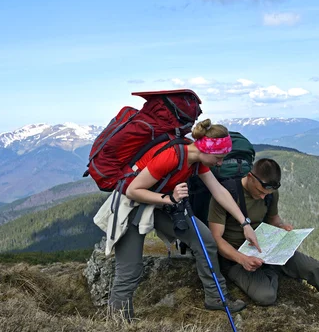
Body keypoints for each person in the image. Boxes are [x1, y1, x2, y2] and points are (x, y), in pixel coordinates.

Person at [108, 119, 261, 321]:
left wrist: (245, 224)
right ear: (206, 151)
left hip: (161, 204)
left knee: (205, 240)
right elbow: (133, 191)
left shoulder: (196, 161)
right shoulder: (172, 157)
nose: (221, 163)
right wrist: (170, 199)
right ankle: (119, 322)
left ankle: (216, 298)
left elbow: (220, 192)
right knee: (130, 270)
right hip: (132, 207)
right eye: (219, 158)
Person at [207, 158, 319, 312]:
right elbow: (216, 239)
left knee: (312, 267)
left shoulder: (270, 193)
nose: (263, 196)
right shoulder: (226, 195)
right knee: (266, 296)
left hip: (267, 248)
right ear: (250, 177)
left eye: (267, 194)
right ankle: (276, 273)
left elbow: (273, 218)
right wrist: (242, 259)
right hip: (237, 258)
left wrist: (281, 226)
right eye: (260, 191)